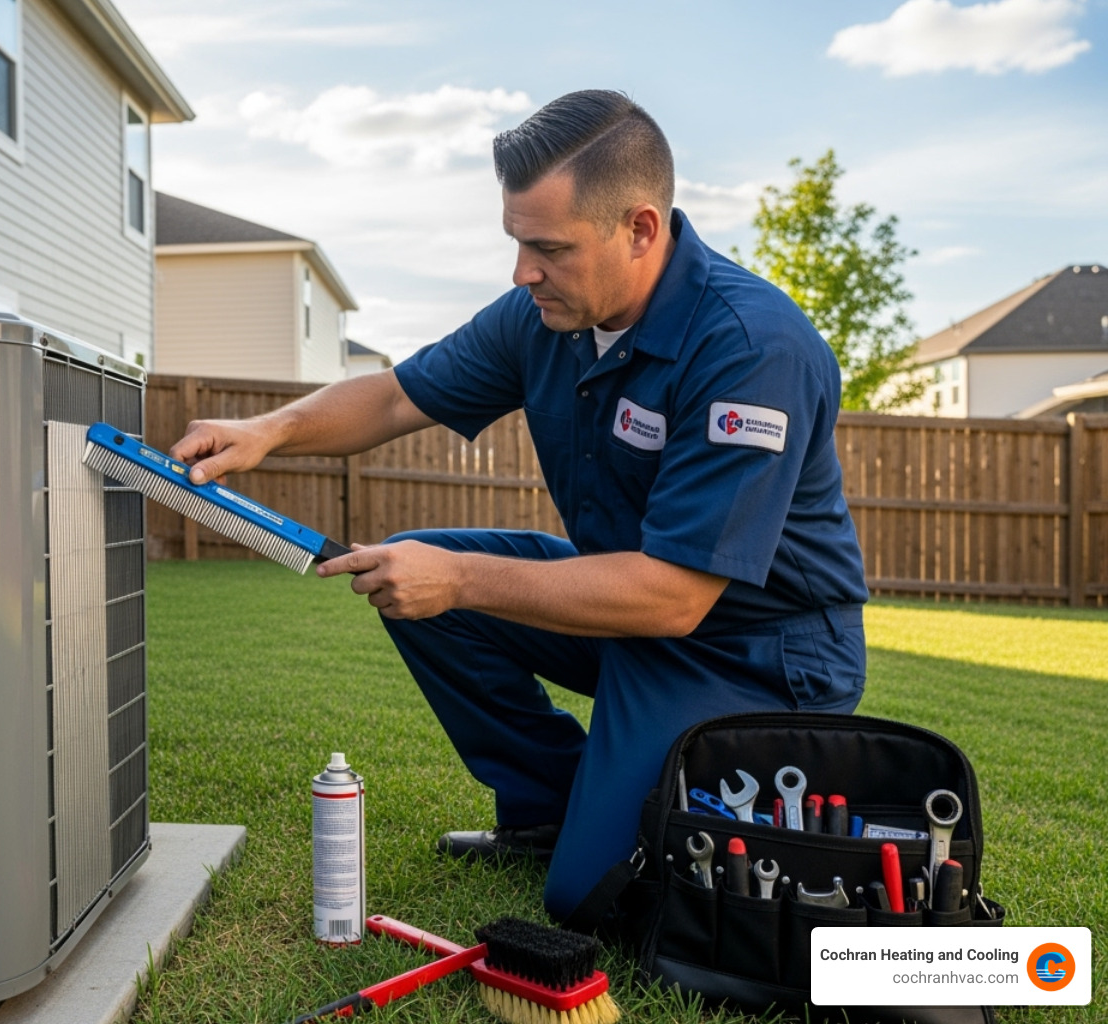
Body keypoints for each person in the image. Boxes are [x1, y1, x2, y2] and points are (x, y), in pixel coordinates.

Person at [167, 89, 867, 924]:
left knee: (591, 898)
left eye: (548, 248)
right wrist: (268, 430)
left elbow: (676, 598)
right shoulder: (544, 316)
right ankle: (556, 808)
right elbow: (395, 398)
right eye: (516, 242)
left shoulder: (750, 349)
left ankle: (618, 822)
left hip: (753, 651)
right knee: (418, 577)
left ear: (640, 229)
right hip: (631, 606)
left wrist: (461, 578)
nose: (522, 271)